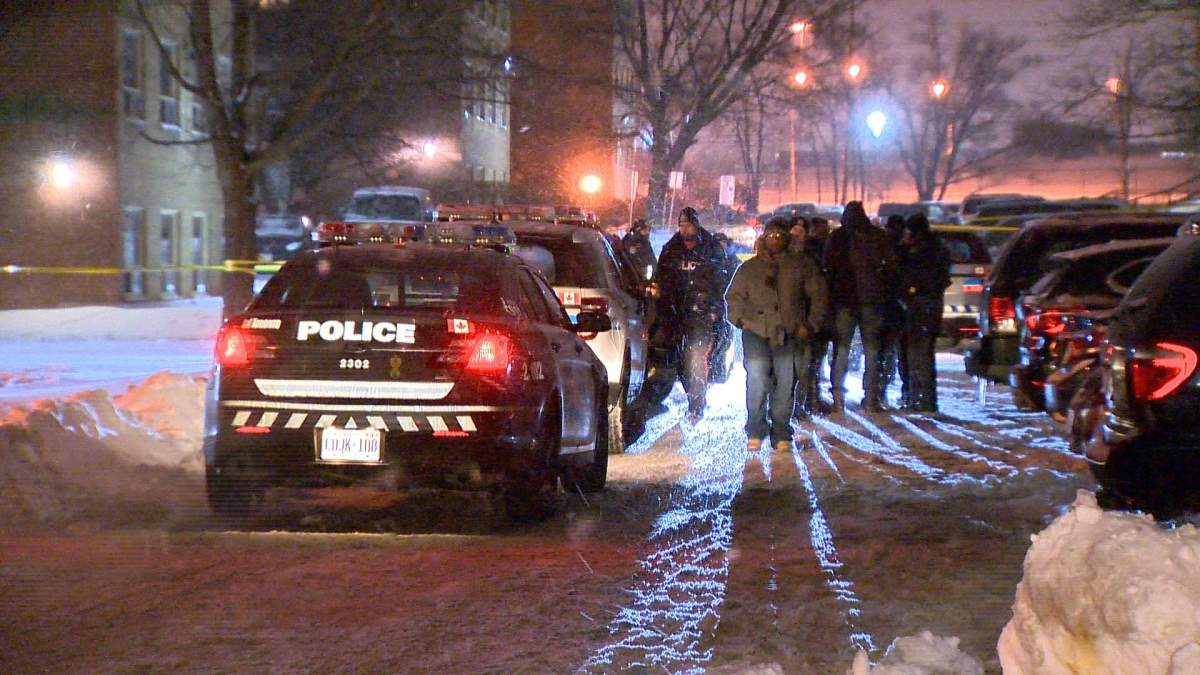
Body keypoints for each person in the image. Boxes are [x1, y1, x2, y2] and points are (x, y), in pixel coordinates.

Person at [726, 217, 828, 451]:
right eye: (770, 236)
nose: (774, 240)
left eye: (779, 236)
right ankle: (755, 428)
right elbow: (734, 298)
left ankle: (781, 431)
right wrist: (741, 319)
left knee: (785, 383)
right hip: (756, 331)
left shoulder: (801, 265)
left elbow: (818, 296)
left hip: (789, 332)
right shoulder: (750, 268)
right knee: (757, 380)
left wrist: (810, 325)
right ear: (764, 238)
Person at [633, 206, 729, 424]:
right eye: (682, 225)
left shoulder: (711, 248)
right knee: (672, 358)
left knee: (695, 357)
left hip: (701, 313)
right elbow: (661, 276)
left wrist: (713, 308)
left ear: (696, 225)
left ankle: (696, 404)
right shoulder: (671, 248)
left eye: (689, 225)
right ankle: (658, 398)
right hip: (673, 312)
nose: (685, 229)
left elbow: (721, 281)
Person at [823, 201, 898, 413]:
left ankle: (838, 397)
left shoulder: (837, 238)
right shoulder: (877, 237)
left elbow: (827, 268)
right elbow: (891, 268)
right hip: (872, 300)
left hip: (844, 299)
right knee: (872, 350)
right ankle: (871, 396)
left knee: (842, 350)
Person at [898, 213, 951, 412]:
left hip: (920, 306)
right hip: (930, 306)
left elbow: (911, 278)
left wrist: (910, 291)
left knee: (917, 354)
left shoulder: (921, 253)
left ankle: (920, 398)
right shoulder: (938, 249)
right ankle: (925, 398)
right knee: (924, 354)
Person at [796, 216, 835, 416]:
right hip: (809, 315)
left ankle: (809, 398)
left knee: (811, 361)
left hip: (814, 315)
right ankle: (806, 399)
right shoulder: (816, 254)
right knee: (808, 361)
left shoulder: (818, 253)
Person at [878, 214, 908, 406]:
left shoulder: (880, 250)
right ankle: (887, 390)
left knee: (884, 352)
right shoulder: (905, 252)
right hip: (895, 308)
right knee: (894, 353)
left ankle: (879, 391)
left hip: (884, 307)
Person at [707, 232, 741, 383]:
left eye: (723, 243)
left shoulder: (732, 262)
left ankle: (717, 370)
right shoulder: (708, 262)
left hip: (725, 309)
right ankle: (711, 371)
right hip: (712, 308)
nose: (721, 246)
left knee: (724, 340)